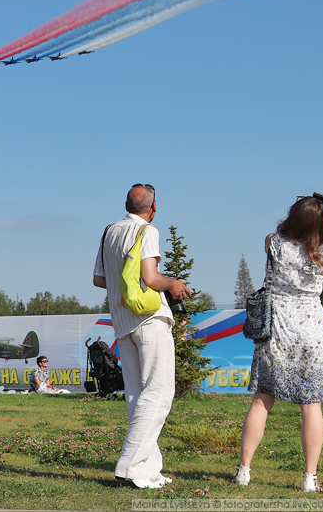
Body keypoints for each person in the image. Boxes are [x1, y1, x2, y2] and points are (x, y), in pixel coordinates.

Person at [235, 194, 323, 492]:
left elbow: (277, 237)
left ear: (293, 216)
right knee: (311, 405)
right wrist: (321, 229)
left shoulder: (273, 243)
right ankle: (309, 478)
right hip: (312, 332)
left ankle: (244, 470)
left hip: (276, 328)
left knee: (262, 398)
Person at [93, 184, 191, 489]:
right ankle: (130, 465)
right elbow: (150, 277)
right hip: (149, 317)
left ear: (125, 204)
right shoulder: (147, 231)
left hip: (122, 320)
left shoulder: (109, 231)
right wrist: (173, 284)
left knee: (137, 395)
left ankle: (149, 471)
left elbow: (99, 279)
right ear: (153, 207)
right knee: (160, 393)